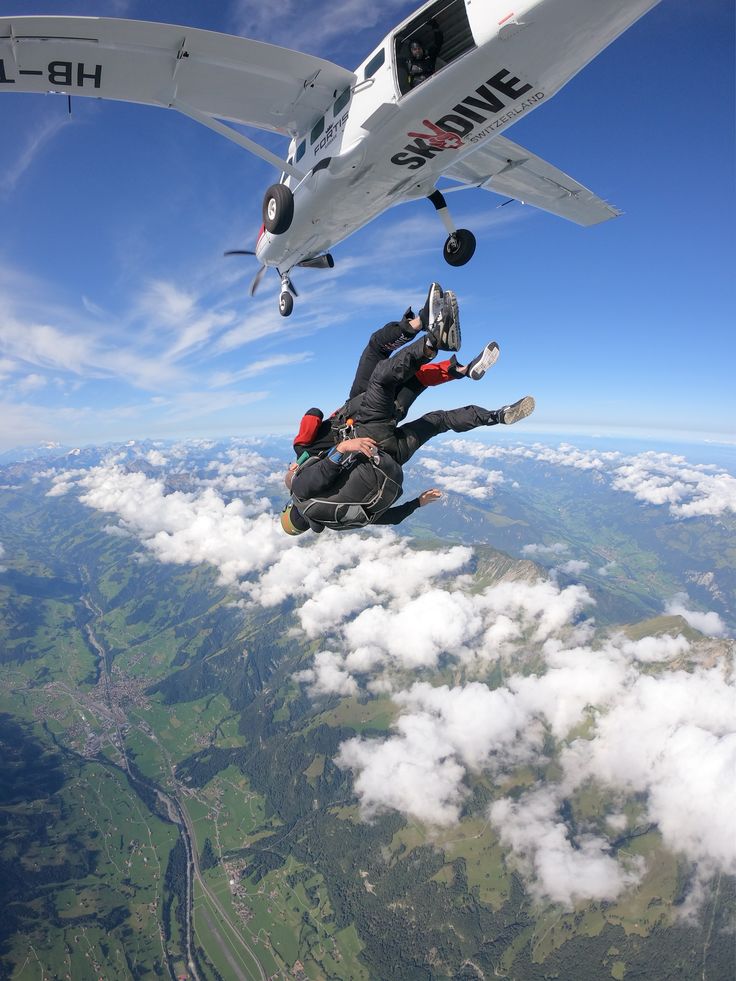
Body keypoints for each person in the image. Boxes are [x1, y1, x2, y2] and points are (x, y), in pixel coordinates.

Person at [280, 291, 535, 535]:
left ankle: (495, 413)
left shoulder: (339, 520)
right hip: (363, 422)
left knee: (435, 416)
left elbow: (390, 517)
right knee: (380, 357)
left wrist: (418, 503)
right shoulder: (302, 465)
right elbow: (313, 414)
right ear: (291, 508)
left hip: (391, 459)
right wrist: (303, 459)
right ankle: (430, 334)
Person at [293, 283, 498, 460]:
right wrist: (302, 444)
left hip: (384, 427)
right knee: (378, 347)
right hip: (361, 403)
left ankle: (464, 371)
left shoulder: (321, 471)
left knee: (418, 378)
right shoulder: (302, 450)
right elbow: (313, 415)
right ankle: (424, 324)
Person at [405, 18, 443, 89]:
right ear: (411, 51)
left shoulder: (430, 57)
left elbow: (438, 43)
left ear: (422, 48)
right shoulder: (408, 63)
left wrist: (435, 28)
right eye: (415, 49)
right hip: (419, 90)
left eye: (419, 48)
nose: (417, 51)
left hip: (433, 85)